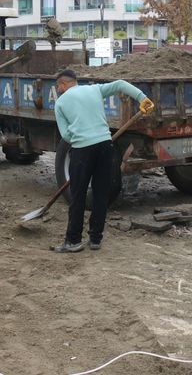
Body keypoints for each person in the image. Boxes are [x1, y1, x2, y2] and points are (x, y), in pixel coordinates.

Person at [51, 69, 155, 253]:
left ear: (63, 84)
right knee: (100, 194)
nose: (59, 90)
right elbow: (120, 84)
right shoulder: (94, 89)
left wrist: (80, 135)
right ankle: (95, 238)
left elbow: (66, 135)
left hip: (82, 150)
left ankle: (73, 240)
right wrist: (142, 98)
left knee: (78, 196)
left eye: (59, 86)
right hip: (106, 146)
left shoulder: (60, 103)